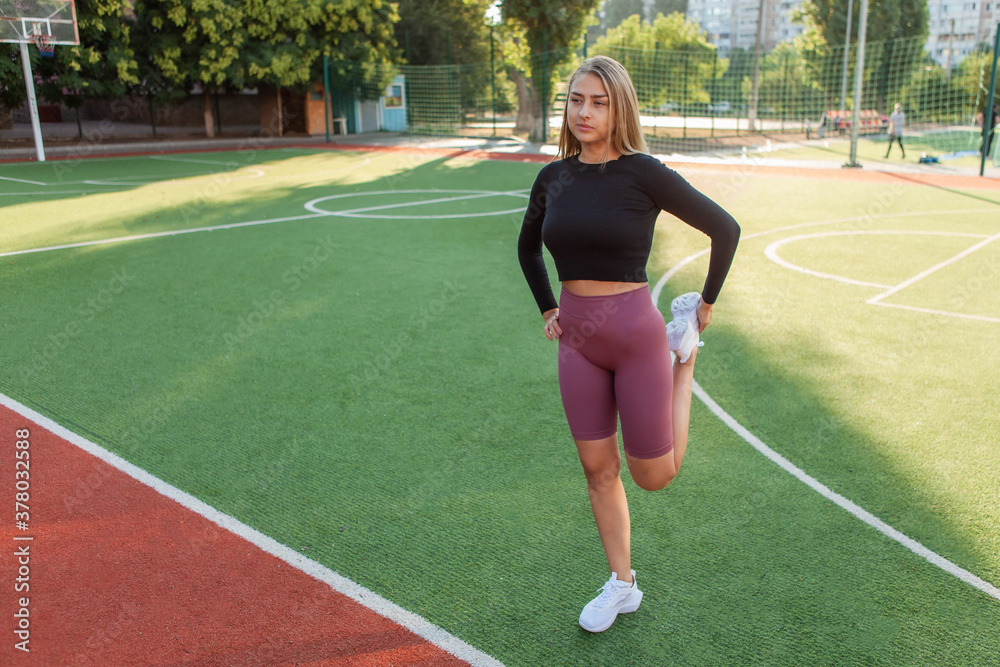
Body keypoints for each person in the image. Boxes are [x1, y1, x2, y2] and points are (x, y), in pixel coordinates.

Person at [517, 56, 740, 633]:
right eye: (575, 100)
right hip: (577, 340)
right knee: (598, 470)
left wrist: (707, 301)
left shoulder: (644, 173)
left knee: (654, 476)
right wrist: (548, 306)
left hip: (637, 335)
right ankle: (622, 584)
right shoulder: (553, 177)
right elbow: (526, 248)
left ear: (620, 107)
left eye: (599, 101)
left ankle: (682, 357)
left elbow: (725, 228)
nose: (583, 112)